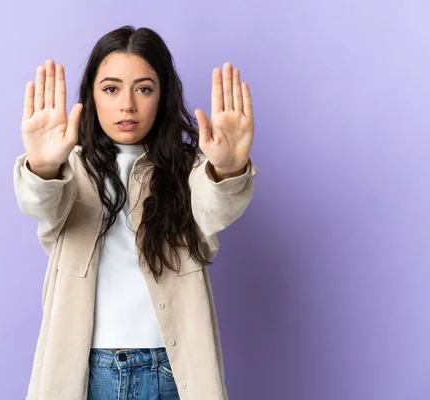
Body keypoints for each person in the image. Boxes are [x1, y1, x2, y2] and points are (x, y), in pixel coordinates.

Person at [14, 25, 257, 400]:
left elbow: (216, 209)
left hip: (170, 372)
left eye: (144, 88)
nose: (127, 104)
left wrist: (226, 170)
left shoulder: (190, 169)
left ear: (163, 96)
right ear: (92, 97)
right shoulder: (70, 169)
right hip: (86, 373)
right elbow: (39, 204)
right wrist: (43, 167)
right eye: (111, 89)